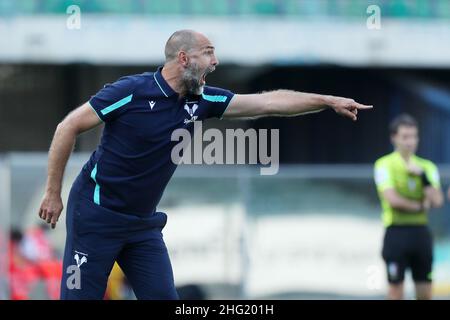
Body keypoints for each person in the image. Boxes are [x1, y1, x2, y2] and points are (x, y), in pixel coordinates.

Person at [38, 29, 372, 300]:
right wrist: (53, 193)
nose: (216, 61)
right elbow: (67, 127)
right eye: (208, 52)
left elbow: (270, 102)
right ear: (184, 58)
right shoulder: (130, 91)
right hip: (95, 214)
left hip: (141, 225)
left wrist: (326, 101)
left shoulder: (203, 100)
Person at [374, 114, 444, 300]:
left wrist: (422, 177)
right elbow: (392, 199)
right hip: (396, 234)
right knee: (395, 291)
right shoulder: (384, 164)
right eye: (405, 137)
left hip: (421, 234)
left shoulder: (427, 167)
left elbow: (437, 201)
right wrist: (420, 206)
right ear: (394, 138)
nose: (410, 142)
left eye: (413, 136)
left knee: (425, 292)